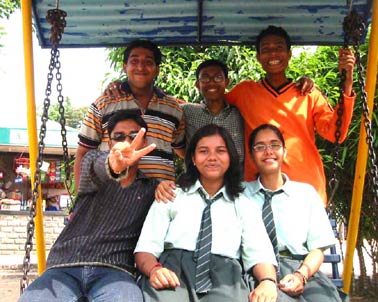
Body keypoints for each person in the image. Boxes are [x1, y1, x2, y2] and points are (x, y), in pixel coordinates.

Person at [19, 111, 158, 302]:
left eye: (133, 136)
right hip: (66, 264)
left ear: (144, 141)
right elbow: (100, 168)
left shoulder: (152, 188)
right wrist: (114, 164)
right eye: (119, 137)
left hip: (115, 269)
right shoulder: (92, 163)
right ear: (109, 143)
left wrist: (167, 186)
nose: (126, 142)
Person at [134, 124, 279, 302]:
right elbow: (146, 247)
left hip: (225, 276)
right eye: (203, 151)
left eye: (220, 151)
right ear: (193, 158)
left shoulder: (244, 204)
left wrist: (268, 281)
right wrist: (154, 270)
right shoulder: (171, 195)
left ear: (230, 158)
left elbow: (259, 251)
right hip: (172, 271)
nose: (212, 157)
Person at [226, 25, 356, 204]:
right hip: (258, 191)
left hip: (306, 188)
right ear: (258, 57)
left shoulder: (308, 94)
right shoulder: (244, 92)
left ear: (289, 54)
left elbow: (336, 134)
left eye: (279, 48)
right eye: (266, 50)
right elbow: (213, 107)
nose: (273, 54)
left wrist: (347, 84)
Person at [244, 123, 344, 302]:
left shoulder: (306, 193)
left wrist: (301, 275)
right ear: (251, 155)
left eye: (274, 145)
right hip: (256, 271)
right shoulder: (240, 194)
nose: (268, 151)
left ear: (284, 151)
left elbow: (317, 248)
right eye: (260, 147)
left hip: (300, 267)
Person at [74, 39, 185, 190]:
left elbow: (182, 149)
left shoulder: (173, 109)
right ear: (125, 67)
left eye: (148, 62)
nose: (140, 67)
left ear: (157, 69)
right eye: (134, 61)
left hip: (160, 199)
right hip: (114, 199)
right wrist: (81, 199)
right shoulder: (104, 104)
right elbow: (83, 153)